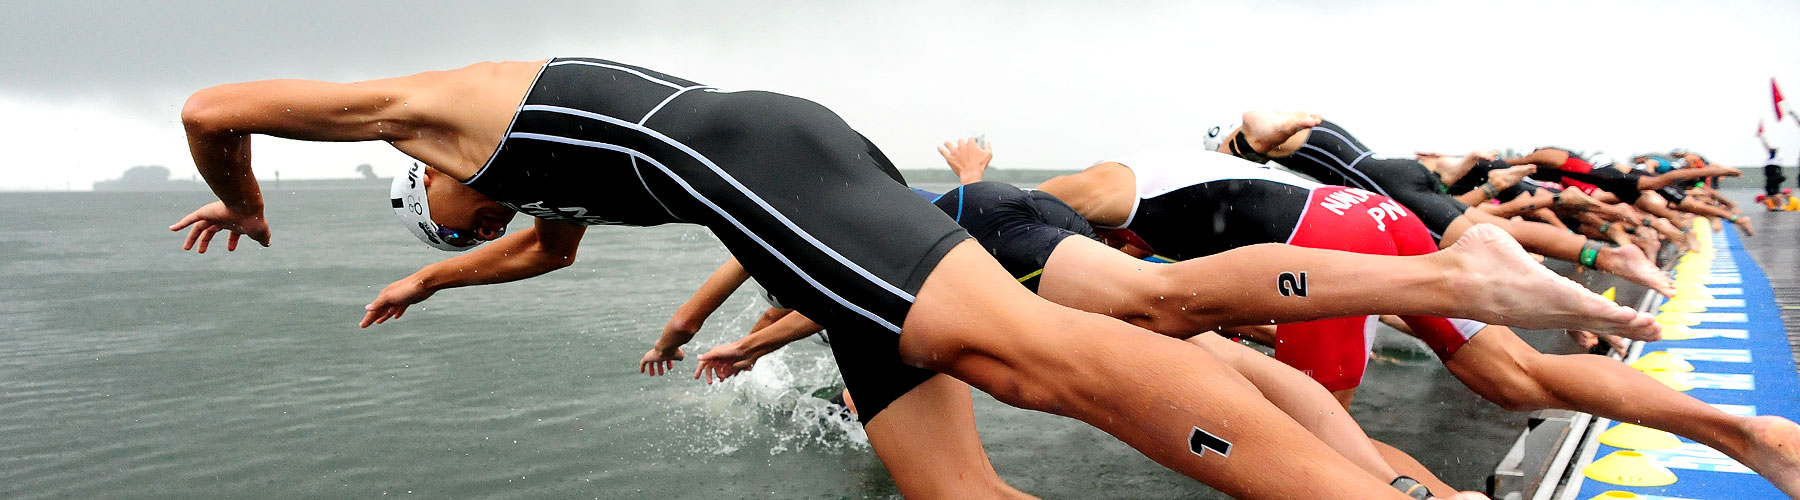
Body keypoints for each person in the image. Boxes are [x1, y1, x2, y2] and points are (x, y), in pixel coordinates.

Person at [168, 57, 1456, 499]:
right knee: (946, 478)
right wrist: (435, 290)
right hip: (778, 163)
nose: (475, 225)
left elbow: (213, 103)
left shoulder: (413, 110)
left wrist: (244, 202)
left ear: (419, 185)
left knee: (1032, 352)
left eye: (446, 233)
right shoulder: (525, 188)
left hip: (751, 152)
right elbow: (544, 248)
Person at [1031, 143, 1800, 497]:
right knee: (1515, 376)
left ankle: (1427, 496)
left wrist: (972, 187)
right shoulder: (1198, 178)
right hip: (1382, 221)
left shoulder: (1096, 184)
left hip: (1313, 240)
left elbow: (1029, 238)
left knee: (1307, 438)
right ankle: (1739, 434)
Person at [1196, 112, 1675, 297]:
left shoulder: (1260, 138)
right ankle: (1589, 266)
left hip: (1383, 184)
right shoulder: (1308, 129)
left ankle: (1605, 259)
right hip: (1402, 170)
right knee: (1487, 225)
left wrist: (1248, 142)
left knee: (1479, 241)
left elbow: (1239, 148)